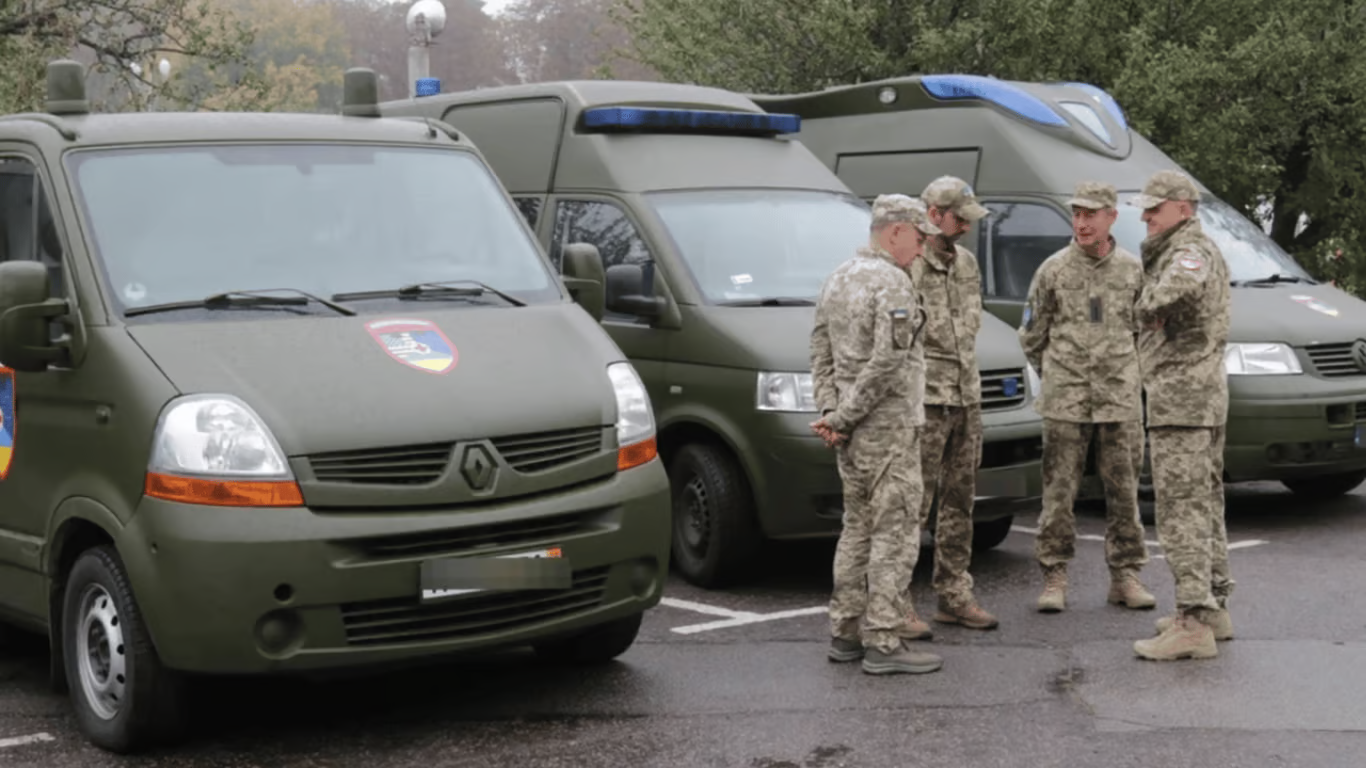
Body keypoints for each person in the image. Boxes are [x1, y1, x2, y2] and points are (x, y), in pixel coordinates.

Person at [809, 193, 943, 676]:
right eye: (920, 237)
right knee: (894, 533)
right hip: (887, 429)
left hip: (852, 433)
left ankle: (844, 632)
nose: (923, 248)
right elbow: (888, 362)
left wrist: (831, 410)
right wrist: (842, 416)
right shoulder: (893, 283)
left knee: (856, 529)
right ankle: (883, 640)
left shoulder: (837, 278)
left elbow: (820, 350)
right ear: (896, 232)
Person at [1017, 181, 1156, 613]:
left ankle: (1125, 576)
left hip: (1119, 398)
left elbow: (1149, 335)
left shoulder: (1133, 271)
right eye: (1076, 214)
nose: (1081, 222)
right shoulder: (1053, 270)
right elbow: (1032, 335)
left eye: (1090, 214)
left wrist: (1132, 375)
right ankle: (1054, 575)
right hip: (1066, 400)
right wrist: (1058, 374)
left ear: (1111, 217)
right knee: (1059, 492)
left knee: (1125, 493)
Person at [1127, 170, 1234, 661]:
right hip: (1196, 396)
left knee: (1181, 510)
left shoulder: (1189, 251)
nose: (1147, 216)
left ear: (1184, 208)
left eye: (1156, 207)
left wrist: (1142, 307)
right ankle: (1211, 607)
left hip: (1182, 398)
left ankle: (1192, 622)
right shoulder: (1182, 247)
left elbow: (1171, 293)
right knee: (1205, 503)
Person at [906, 175, 997, 633]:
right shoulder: (908, 265)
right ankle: (894, 599)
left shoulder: (966, 263)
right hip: (924, 400)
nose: (965, 226)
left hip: (965, 396)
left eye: (967, 218)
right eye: (958, 217)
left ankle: (953, 593)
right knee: (911, 504)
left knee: (960, 502)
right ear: (934, 215)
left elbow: (970, 326)